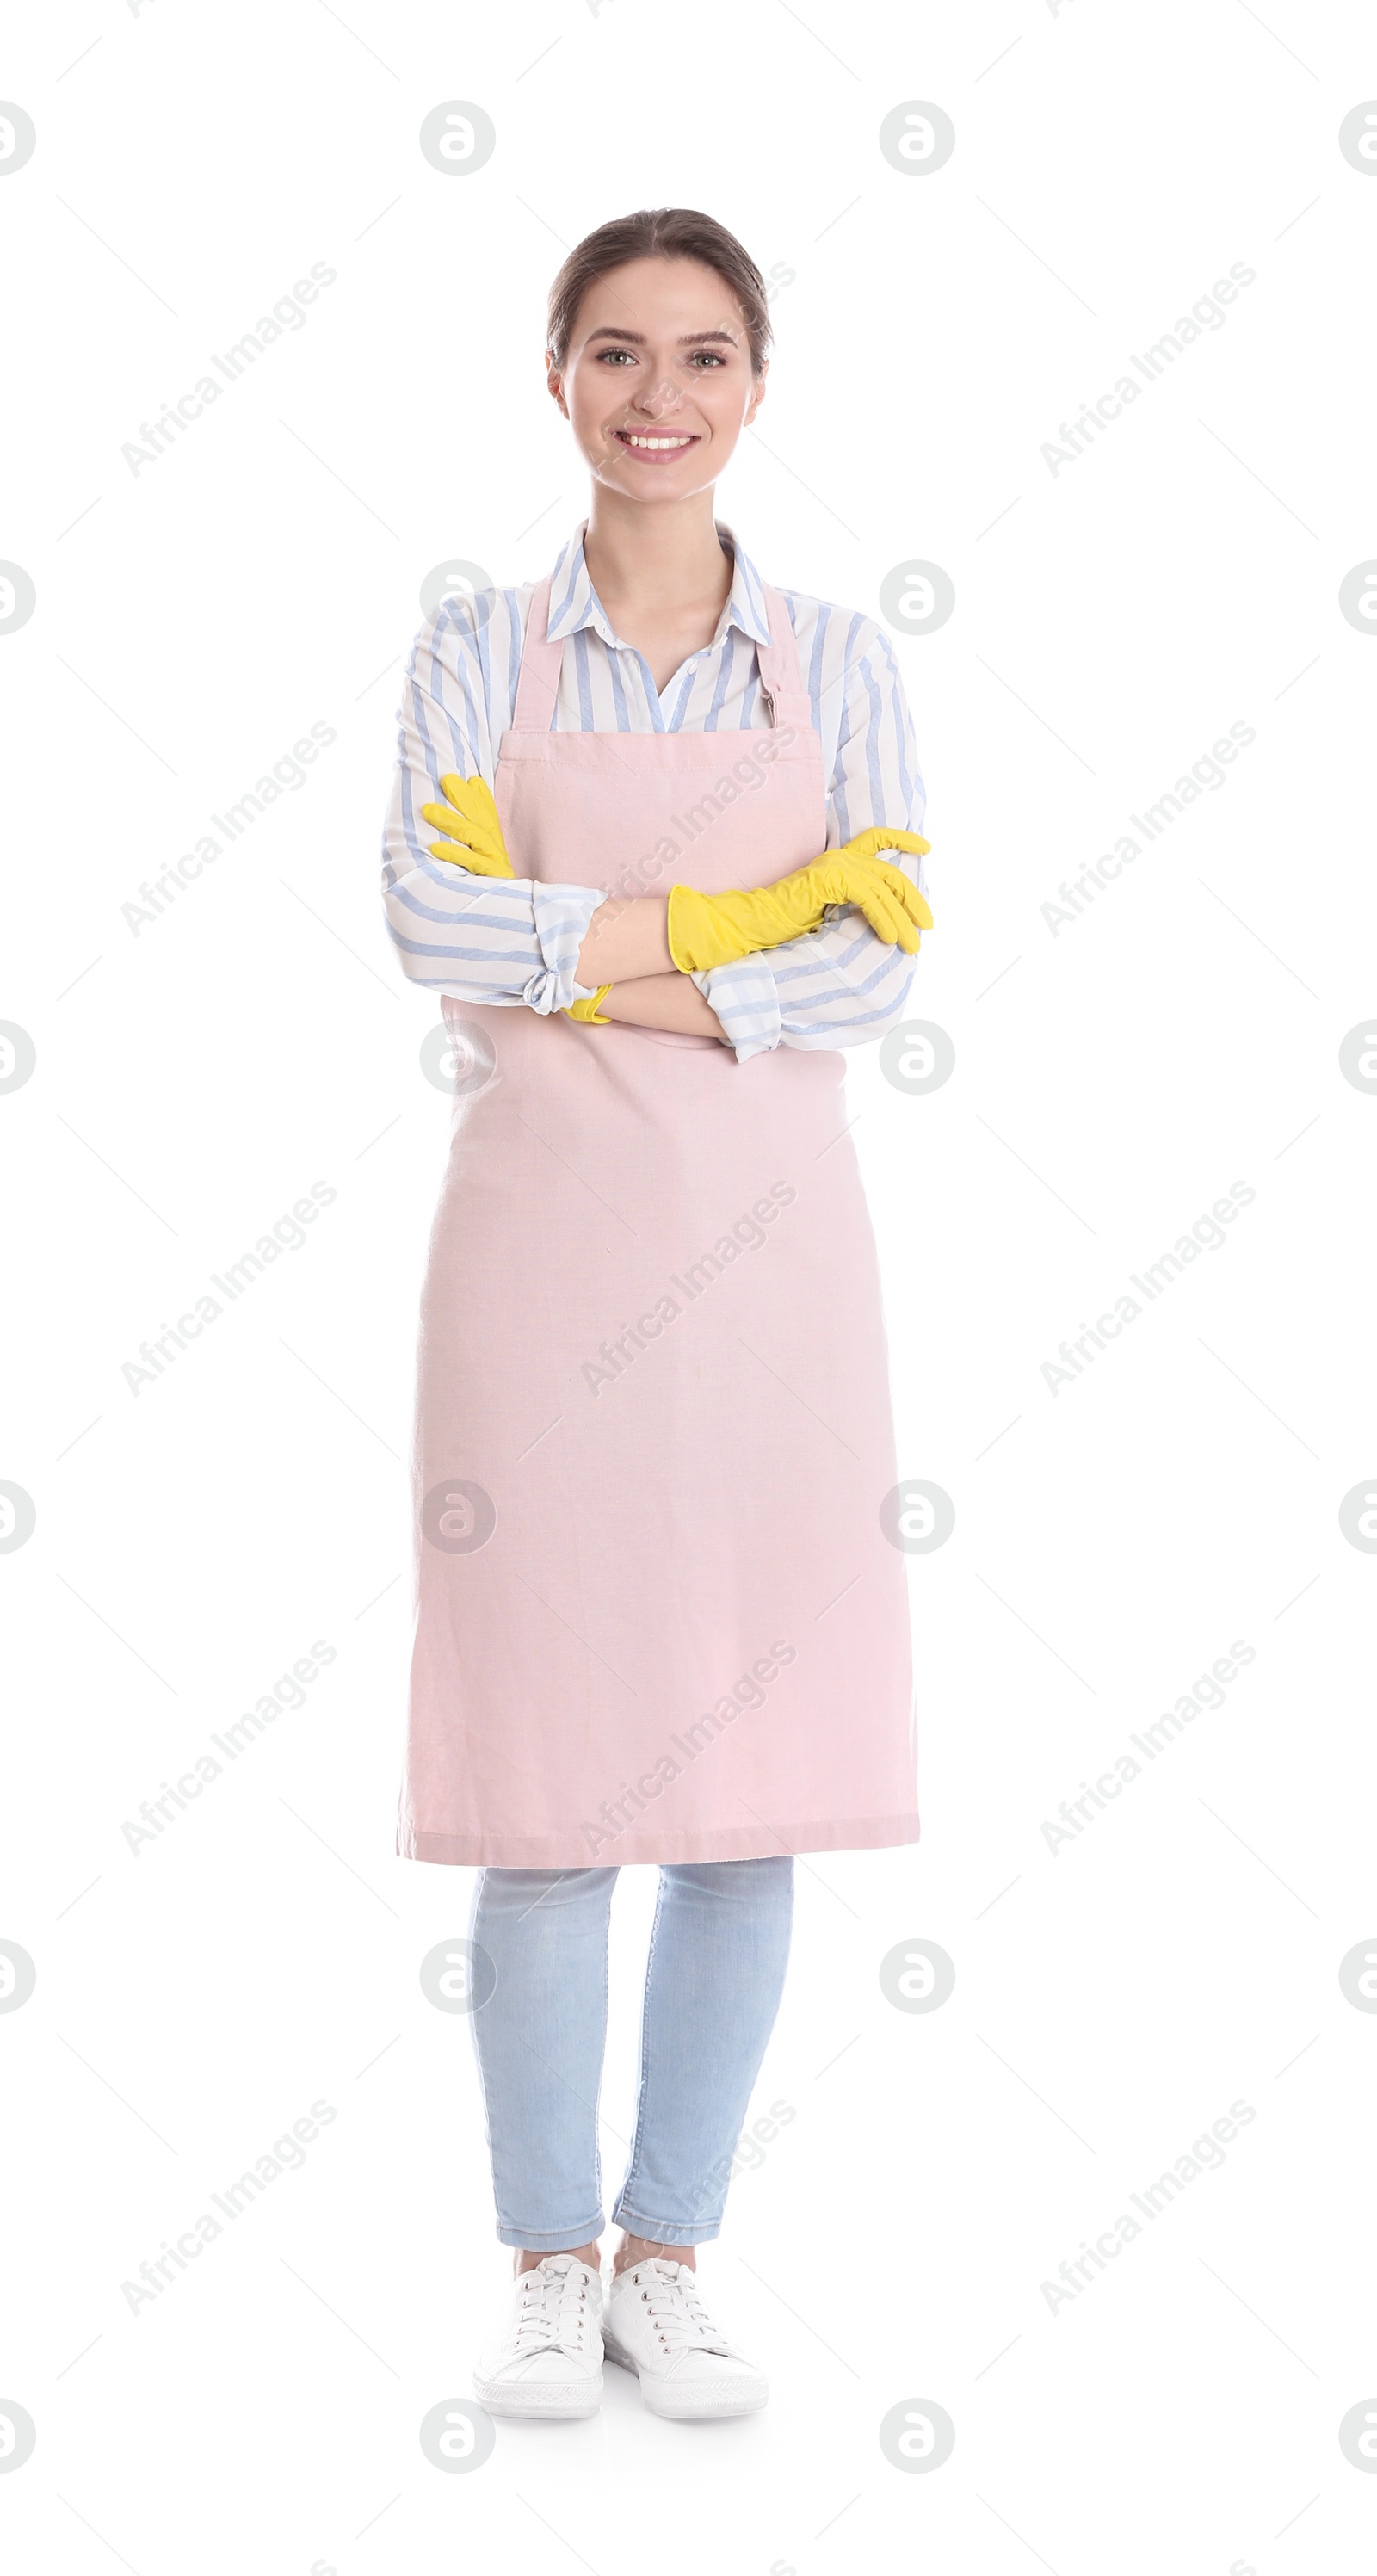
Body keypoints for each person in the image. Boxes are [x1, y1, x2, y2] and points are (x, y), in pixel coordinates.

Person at [380, 207, 931, 2424]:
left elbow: (883, 947)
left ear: (755, 389)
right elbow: (426, 912)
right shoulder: (473, 653)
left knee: (741, 1783)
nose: (657, 396)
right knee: (543, 1783)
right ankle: (539, 2255)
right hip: (532, 1265)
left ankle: (666, 2250)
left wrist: (591, 947)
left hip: (774, 1275)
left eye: (702, 356)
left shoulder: (836, 655)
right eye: (615, 352)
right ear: (554, 378)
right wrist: (732, 928)